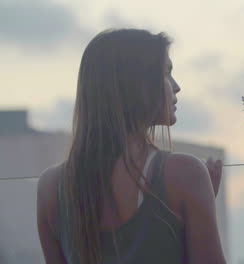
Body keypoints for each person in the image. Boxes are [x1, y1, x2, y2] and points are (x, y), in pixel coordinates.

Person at [36, 28, 227, 264]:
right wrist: (199, 206)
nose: (176, 86)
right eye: (166, 74)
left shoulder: (50, 187)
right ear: (139, 86)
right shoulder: (185, 174)